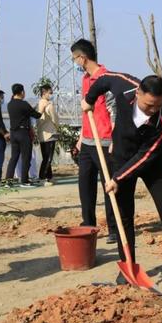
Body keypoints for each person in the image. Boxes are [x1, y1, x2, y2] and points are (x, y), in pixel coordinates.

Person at [82, 74, 162, 287]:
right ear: (138, 93)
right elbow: (103, 80)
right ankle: (127, 267)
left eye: (158, 105)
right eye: (149, 105)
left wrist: (117, 178)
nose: (153, 110)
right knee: (125, 216)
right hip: (121, 158)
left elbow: (145, 156)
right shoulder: (124, 88)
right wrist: (90, 99)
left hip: (152, 164)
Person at [71, 38, 118, 244]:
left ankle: (114, 228)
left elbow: (114, 111)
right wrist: (81, 138)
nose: (75, 62)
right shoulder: (85, 79)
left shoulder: (105, 78)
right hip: (88, 142)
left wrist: (115, 139)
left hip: (105, 141)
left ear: (83, 58)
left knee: (108, 186)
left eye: (75, 58)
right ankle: (88, 224)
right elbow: (86, 111)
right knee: (85, 185)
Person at [5, 83, 42, 187]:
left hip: (13, 133)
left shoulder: (9, 104)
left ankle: (8, 181)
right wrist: (42, 110)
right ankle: (24, 181)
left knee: (14, 158)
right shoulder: (24, 104)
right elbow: (36, 115)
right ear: (21, 92)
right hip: (23, 133)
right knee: (26, 157)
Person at [36, 84, 59, 185]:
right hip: (50, 133)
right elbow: (55, 119)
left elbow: (38, 120)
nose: (51, 94)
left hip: (42, 134)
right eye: (50, 93)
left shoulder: (39, 104)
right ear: (44, 93)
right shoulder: (49, 105)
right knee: (48, 157)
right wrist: (57, 127)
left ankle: (49, 176)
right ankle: (42, 177)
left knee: (45, 156)